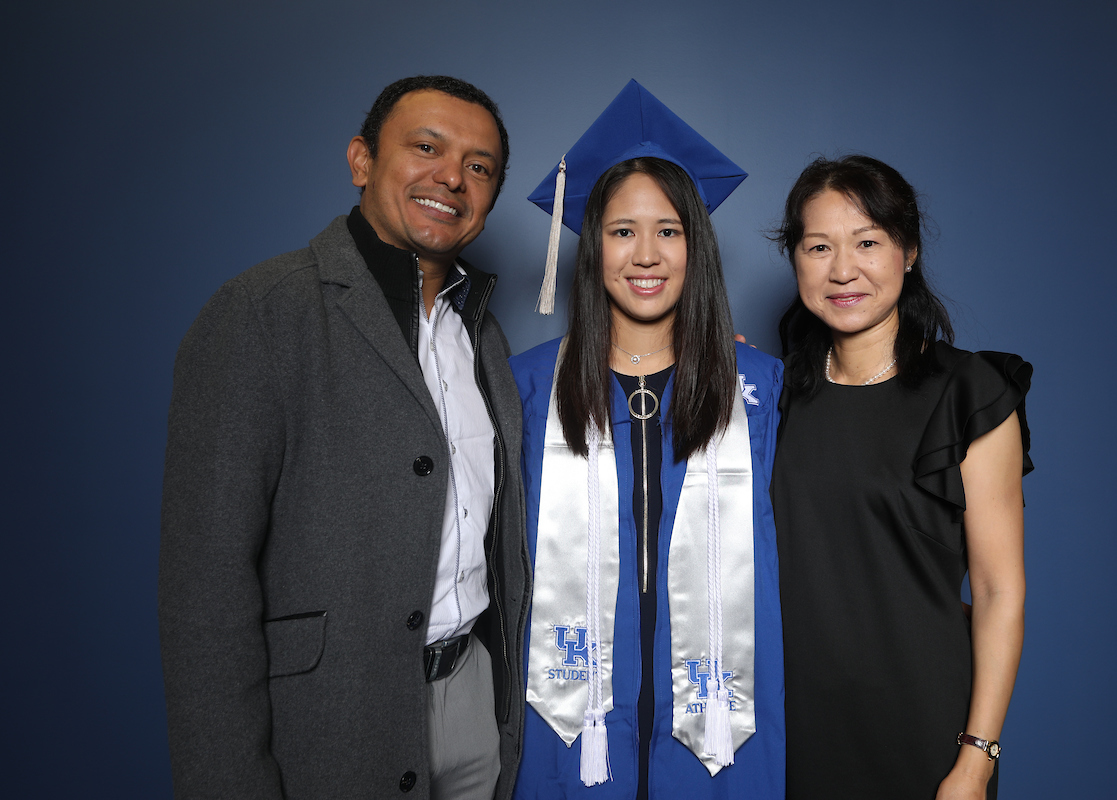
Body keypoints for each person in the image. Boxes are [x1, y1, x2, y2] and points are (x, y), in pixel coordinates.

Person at [159, 75, 531, 800]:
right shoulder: (260, 315)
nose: (452, 176)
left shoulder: (482, 335)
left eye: (479, 167)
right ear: (362, 161)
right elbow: (203, 596)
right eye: (427, 147)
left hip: (473, 704)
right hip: (330, 719)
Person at [510, 80, 786, 799]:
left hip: (718, 720)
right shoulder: (527, 388)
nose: (646, 254)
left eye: (668, 230)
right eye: (622, 230)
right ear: (592, 245)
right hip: (567, 720)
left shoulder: (757, 390)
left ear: (695, 245)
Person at [770, 154, 1032, 800]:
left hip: (926, 733)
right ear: (796, 258)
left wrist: (976, 760)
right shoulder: (772, 397)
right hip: (793, 732)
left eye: (867, 243)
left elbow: (1000, 591)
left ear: (908, 251)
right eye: (818, 246)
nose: (842, 270)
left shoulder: (968, 392)